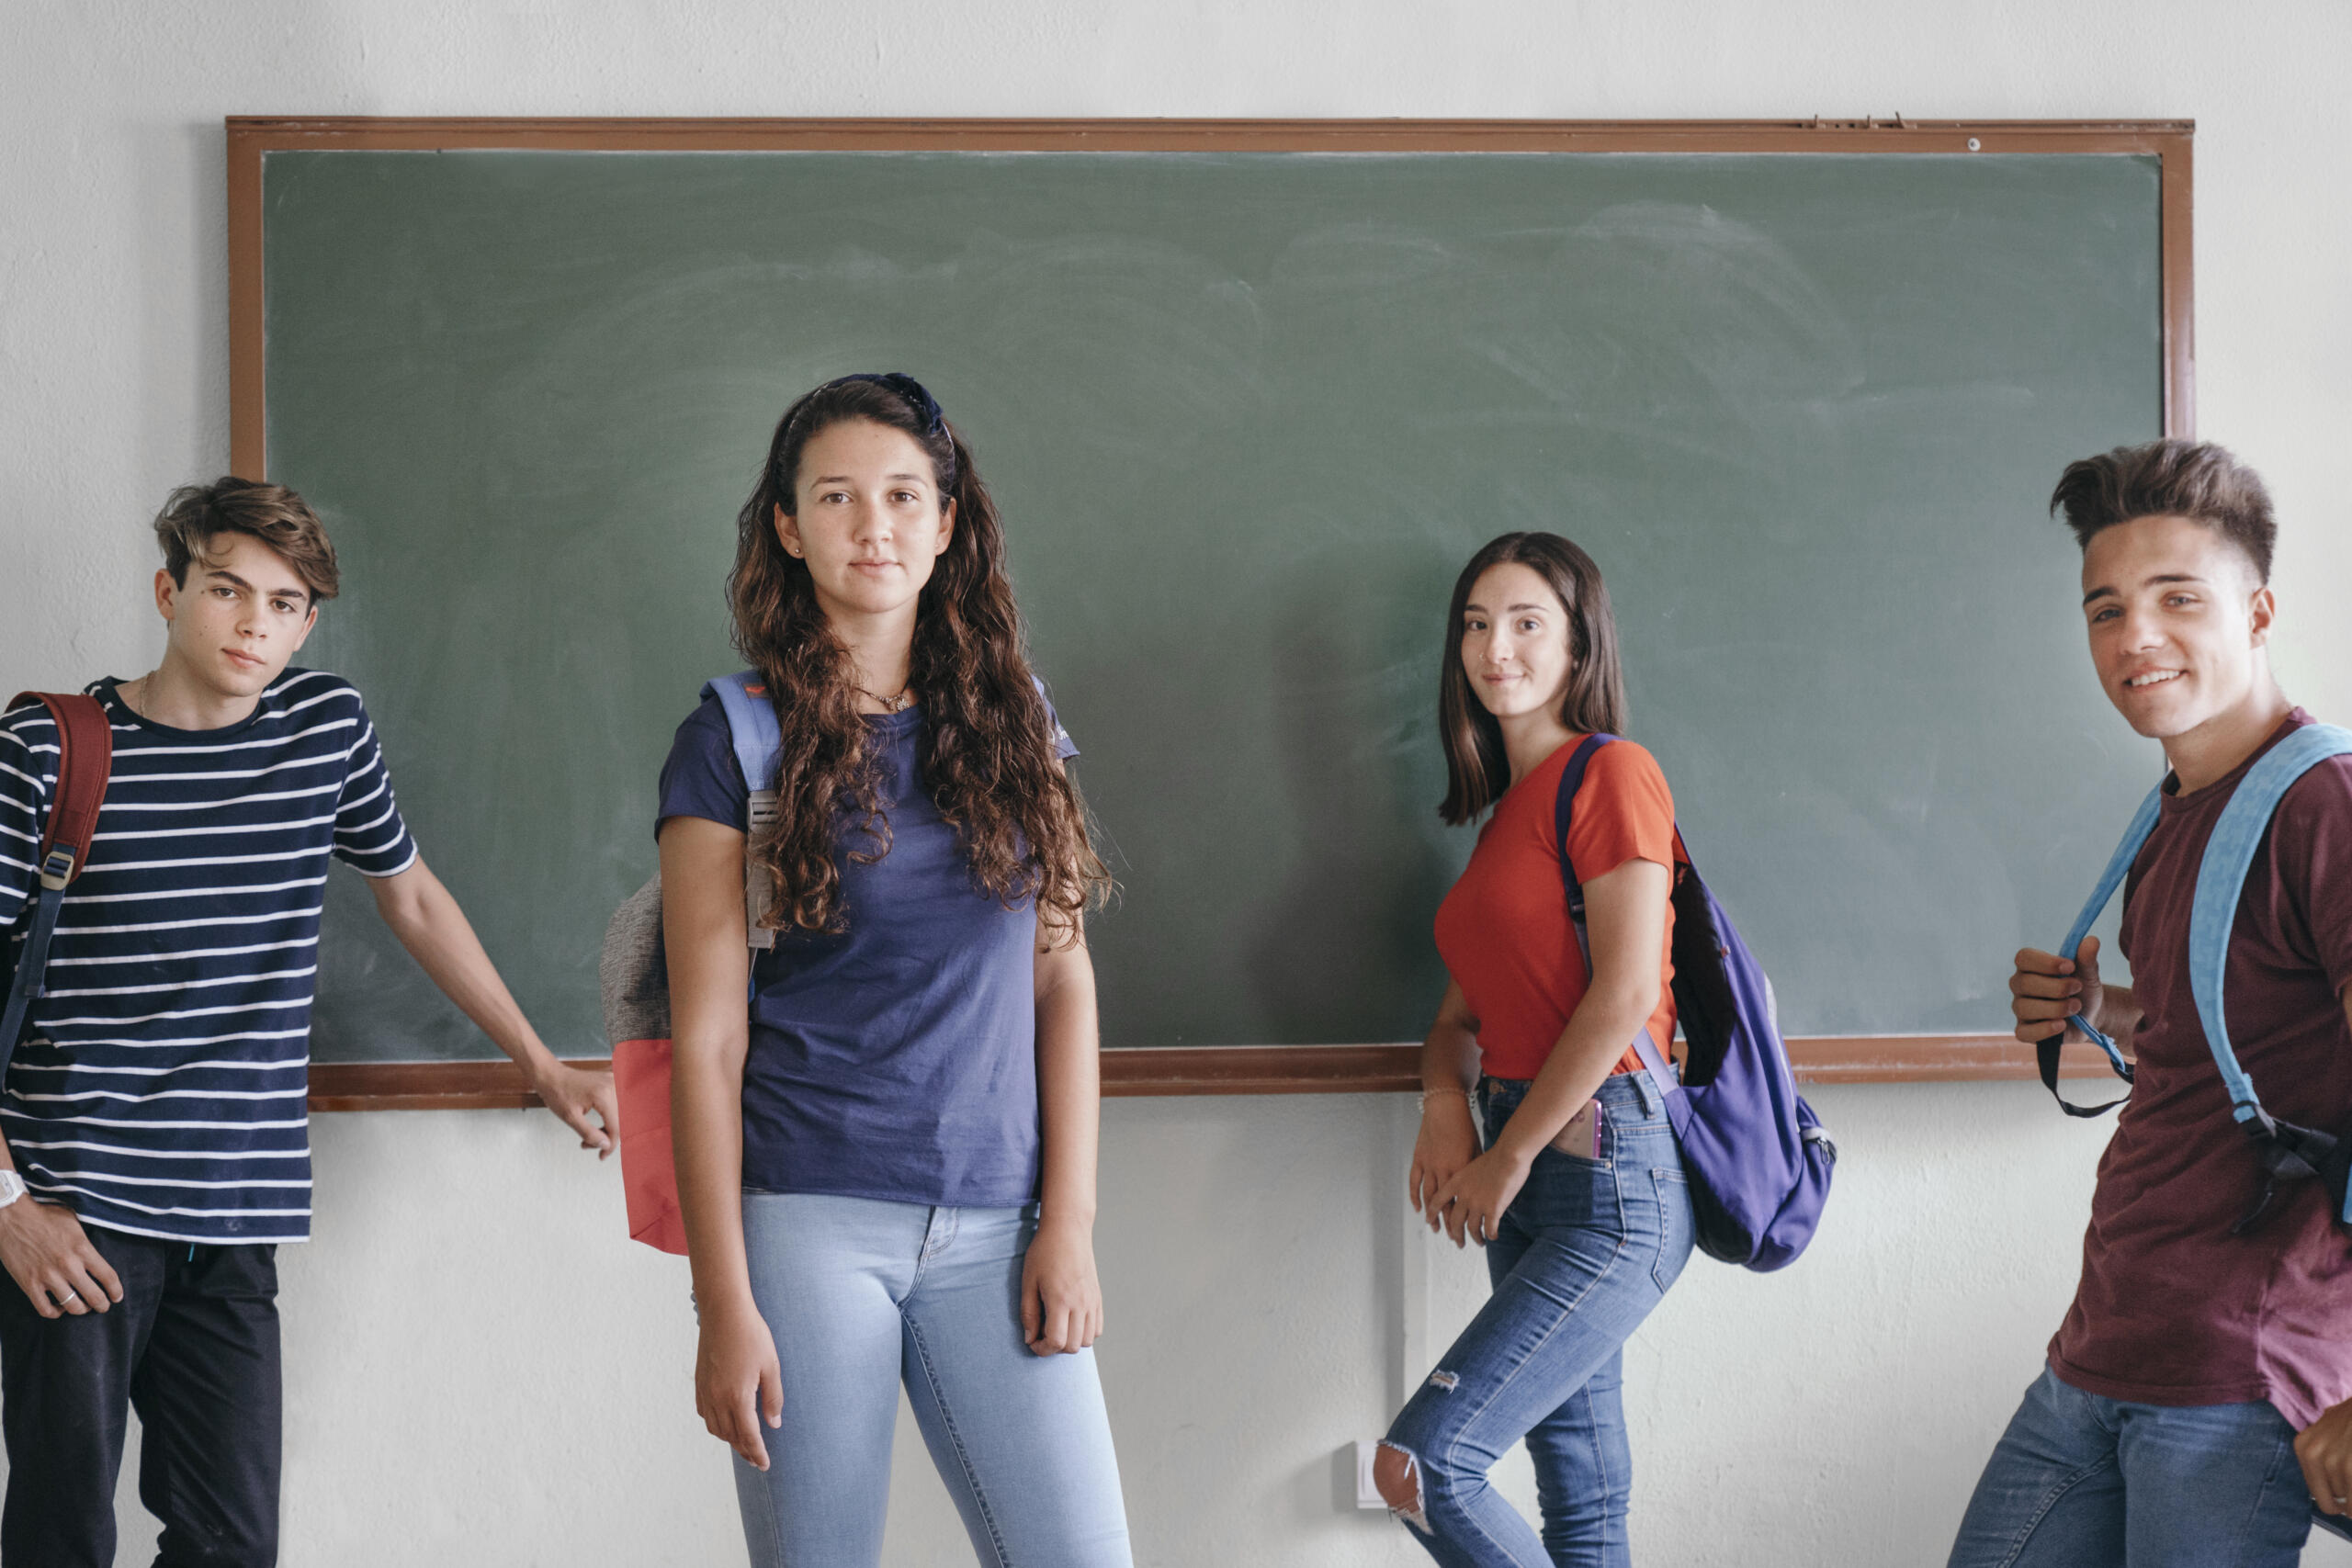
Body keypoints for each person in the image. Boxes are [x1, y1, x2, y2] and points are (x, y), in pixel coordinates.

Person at [0, 478, 616, 1567]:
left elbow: (411, 896)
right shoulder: (50, 751)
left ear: (308, 625)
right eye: (227, 590)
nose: (254, 624)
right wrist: (7, 1204)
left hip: (236, 1211)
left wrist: (541, 1063)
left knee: (233, 1546)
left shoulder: (324, 731)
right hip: (79, 1203)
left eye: (284, 604)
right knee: (64, 1540)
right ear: (169, 592)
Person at [656, 373, 1131, 1567]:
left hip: (1001, 1221)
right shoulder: (732, 739)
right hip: (806, 1224)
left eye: (904, 496)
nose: (874, 525)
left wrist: (1069, 1221)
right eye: (837, 496)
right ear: (787, 525)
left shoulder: (1018, 722)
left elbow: (1061, 979)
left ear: (947, 520)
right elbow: (706, 1042)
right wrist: (724, 1301)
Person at [1950, 440, 2352, 1566]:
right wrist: (2109, 1008)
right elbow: (2255, 1024)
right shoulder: (2175, 809)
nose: (2135, 637)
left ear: (2257, 611)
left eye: (2178, 598)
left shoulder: (2325, 805)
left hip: (2235, 1377)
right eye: (2106, 609)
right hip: (2104, 1347)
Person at [1375, 531, 1694, 1568]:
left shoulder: (1613, 774)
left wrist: (1506, 1155)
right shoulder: (1508, 818)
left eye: (1524, 622)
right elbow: (1455, 1023)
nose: (1494, 647)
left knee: (1424, 1464)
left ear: (1578, 646)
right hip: (1525, 1169)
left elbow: (1627, 991)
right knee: (1583, 1508)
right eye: (1475, 625)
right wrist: (1445, 1108)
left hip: (1610, 1175)